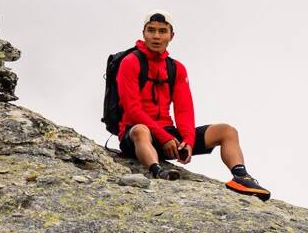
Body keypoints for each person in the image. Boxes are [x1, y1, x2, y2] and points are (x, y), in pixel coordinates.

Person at [116, 11, 271, 199]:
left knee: (227, 131)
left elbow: (184, 110)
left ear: (171, 36)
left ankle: (241, 177)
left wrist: (188, 142)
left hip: (167, 135)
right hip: (135, 135)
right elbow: (133, 110)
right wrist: (164, 137)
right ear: (143, 33)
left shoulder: (177, 69)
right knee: (141, 129)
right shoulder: (130, 62)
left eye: (162, 31)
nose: (156, 36)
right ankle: (157, 171)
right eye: (151, 30)